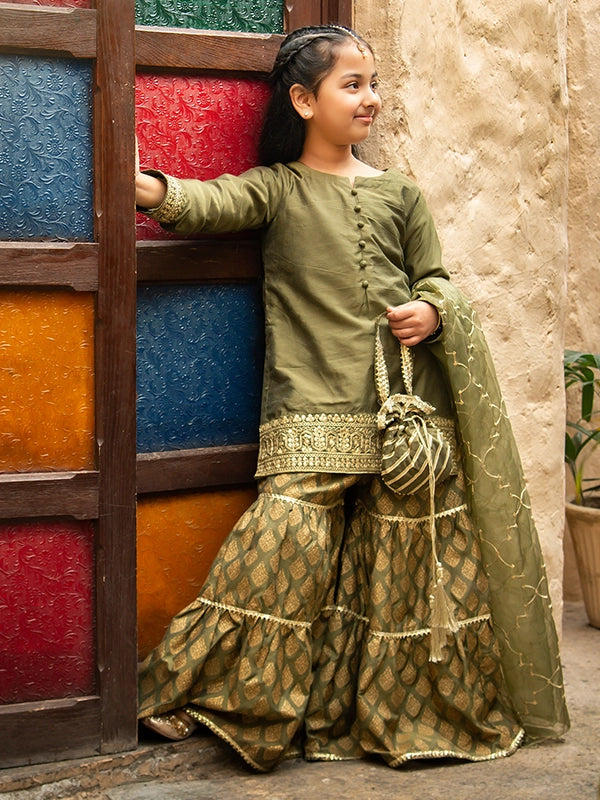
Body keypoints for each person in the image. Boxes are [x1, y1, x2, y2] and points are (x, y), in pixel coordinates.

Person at [135, 25, 569, 772]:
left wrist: (432, 311)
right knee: (277, 555)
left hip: (406, 414)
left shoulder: (400, 194)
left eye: (374, 84)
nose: (371, 99)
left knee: (400, 571)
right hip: (312, 410)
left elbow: (436, 278)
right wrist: (141, 185)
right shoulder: (278, 188)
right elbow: (208, 203)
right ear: (304, 101)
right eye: (353, 85)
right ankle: (196, 693)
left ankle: (382, 712)